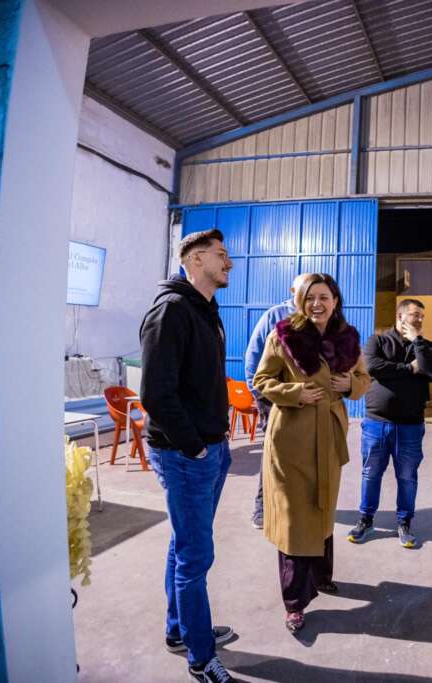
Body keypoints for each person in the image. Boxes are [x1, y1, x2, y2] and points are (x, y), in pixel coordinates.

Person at [139, 229, 237, 683]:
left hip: (211, 450)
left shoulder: (206, 310)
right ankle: (200, 657)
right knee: (195, 556)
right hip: (186, 455)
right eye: (221, 255)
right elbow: (155, 394)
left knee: (184, 544)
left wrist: (214, 443)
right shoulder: (171, 311)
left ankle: (180, 629)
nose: (229, 263)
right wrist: (194, 446)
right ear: (195, 260)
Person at [252, 273, 370, 633]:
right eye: (310, 297)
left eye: (324, 297)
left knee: (323, 507)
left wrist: (350, 384)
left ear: (335, 301)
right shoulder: (283, 335)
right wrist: (295, 393)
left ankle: (322, 576)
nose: (317, 304)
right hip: (291, 438)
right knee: (294, 517)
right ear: (300, 301)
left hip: (329, 436)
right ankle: (294, 602)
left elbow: (364, 379)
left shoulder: (348, 338)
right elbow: (261, 380)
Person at [347, 298, 432, 548]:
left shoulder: (426, 346)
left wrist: (417, 342)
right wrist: (409, 369)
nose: (419, 319)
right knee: (371, 473)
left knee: (407, 477)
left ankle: (404, 522)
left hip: (411, 425)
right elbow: (373, 366)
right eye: (414, 315)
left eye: (422, 316)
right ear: (400, 316)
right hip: (376, 423)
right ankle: (366, 519)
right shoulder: (377, 341)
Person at [243, 272, 311, 530]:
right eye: (303, 290)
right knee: (274, 454)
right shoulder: (276, 315)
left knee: (304, 453)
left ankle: (295, 505)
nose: (309, 296)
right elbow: (254, 354)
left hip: (306, 400)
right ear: (293, 291)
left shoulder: (317, 318)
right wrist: (259, 394)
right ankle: (262, 508)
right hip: (275, 398)